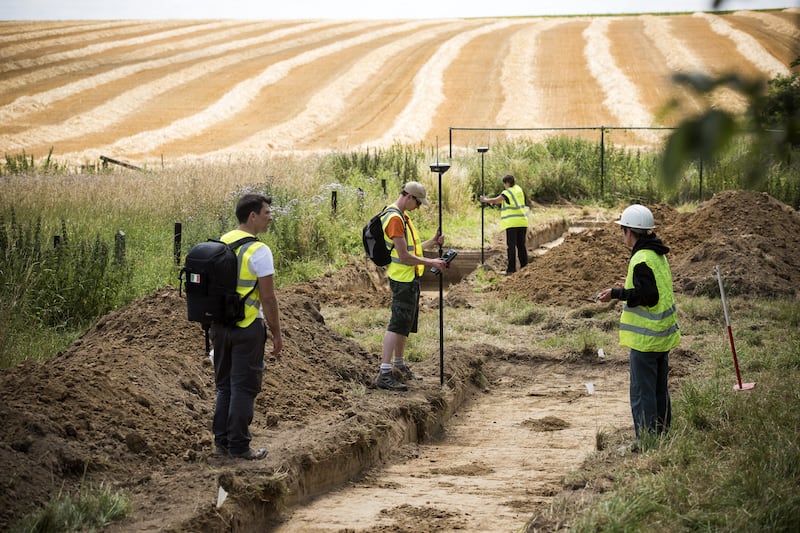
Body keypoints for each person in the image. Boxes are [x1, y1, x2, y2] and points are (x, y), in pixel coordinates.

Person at [597, 204, 680, 451]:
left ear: (630, 232)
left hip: (647, 339)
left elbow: (650, 296)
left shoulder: (641, 258)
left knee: (642, 393)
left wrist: (617, 293)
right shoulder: (656, 254)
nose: (622, 235)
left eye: (622, 231)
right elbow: (651, 288)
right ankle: (662, 437)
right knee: (658, 391)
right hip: (662, 336)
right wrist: (628, 286)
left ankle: (645, 443)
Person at [211, 193, 283, 460]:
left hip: (219, 327)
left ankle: (222, 444)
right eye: (266, 213)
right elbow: (268, 298)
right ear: (252, 216)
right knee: (243, 387)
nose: (270, 217)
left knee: (224, 386)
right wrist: (276, 332)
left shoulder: (221, 242)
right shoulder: (259, 251)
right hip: (248, 326)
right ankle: (240, 447)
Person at [376, 181, 448, 392]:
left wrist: (431, 243)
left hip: (409, 278)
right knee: (396, 324)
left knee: (404, 324)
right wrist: (432, 262)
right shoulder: (395, 219)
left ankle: (398, 365)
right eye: (418, 203)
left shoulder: (401, 216)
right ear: (409, 197)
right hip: (402, 279)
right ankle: (385, 372)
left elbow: (412, 247)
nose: (418, 207)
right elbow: (405, 256)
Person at [480, 174, 529, 274]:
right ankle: (525, 267)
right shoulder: (519, 189)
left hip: (512, 224)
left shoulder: (508, 192)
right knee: (521, 246)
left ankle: (511, 269)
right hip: (522, 222)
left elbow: (496, 200)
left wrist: (485, 200)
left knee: (511, 247)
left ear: (507, 183)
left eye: (504, 184)